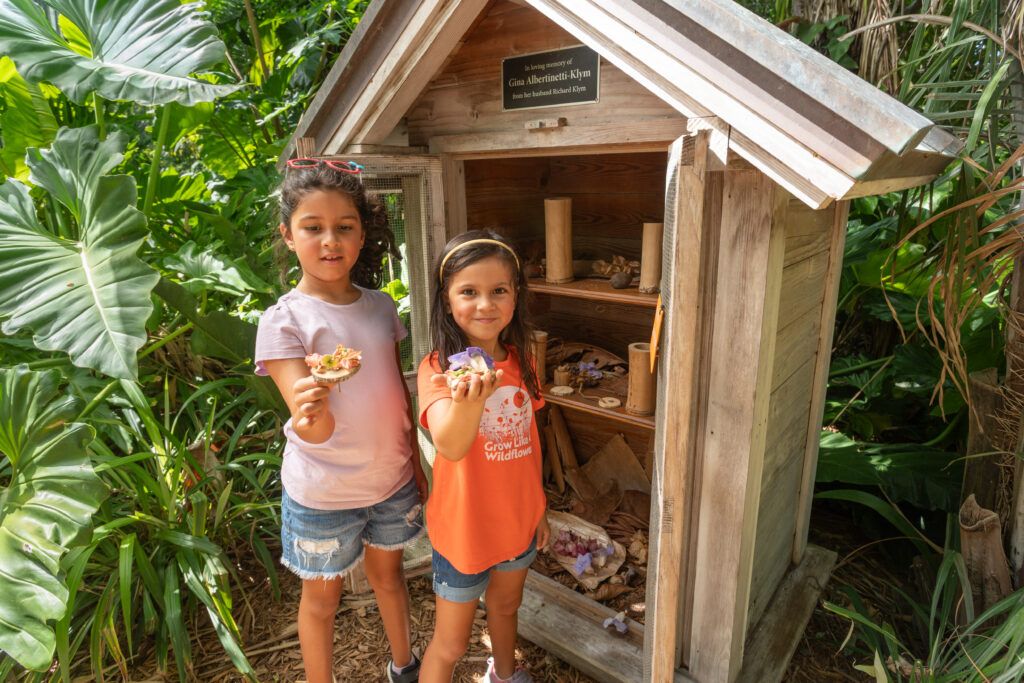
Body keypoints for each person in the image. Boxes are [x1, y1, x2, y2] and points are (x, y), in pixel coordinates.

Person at [254, 159, 428, 683]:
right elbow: (315, 432)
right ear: (288, 235)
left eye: (344, 228)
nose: (330, 241)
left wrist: (419, 461)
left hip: (392, 480)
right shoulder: (284, 320)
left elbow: (397, 392)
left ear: (361, 234)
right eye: (313, 228)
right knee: (321, 601)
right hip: (324, 493)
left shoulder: (380, 308)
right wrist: (315, 402)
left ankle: (405, 666)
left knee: (390, 577)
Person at [416, 230, 549, 683]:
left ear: (516, 297)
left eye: (499, 291)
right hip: (464, 531)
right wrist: (469, 399)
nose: (485, 304)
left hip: (517, 521)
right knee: (451, 643)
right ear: (447, 300)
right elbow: (450, 446)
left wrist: (540, 509)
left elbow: (530, 440)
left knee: (506, 607)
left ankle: (505, 675)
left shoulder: (521, 361)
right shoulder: (438, 371)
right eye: (468, 292)